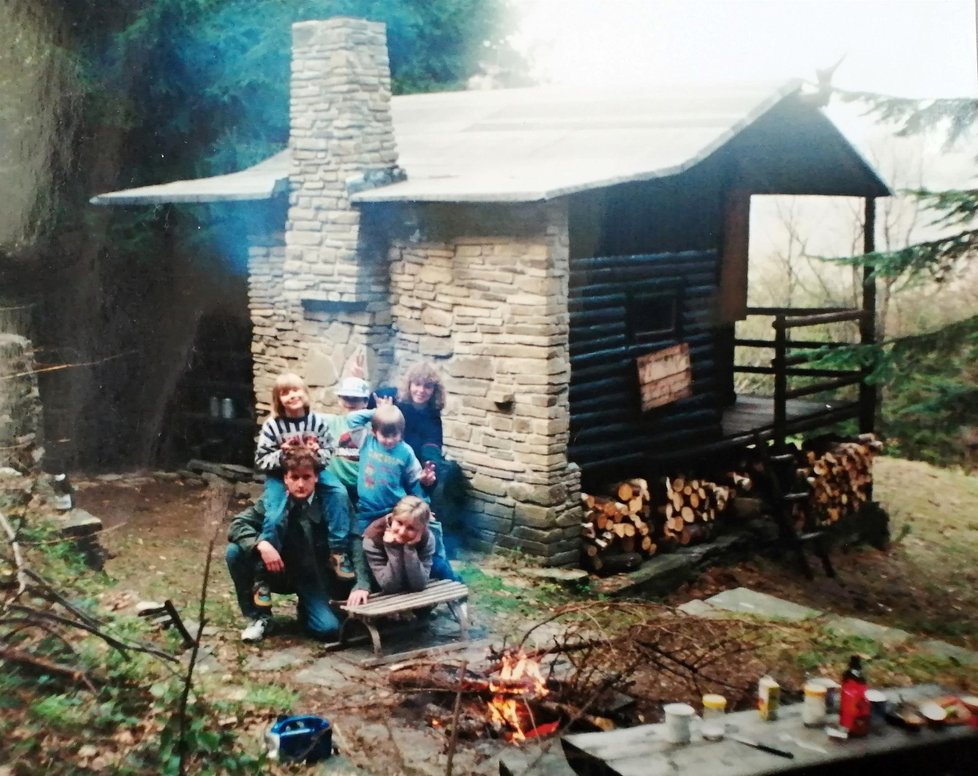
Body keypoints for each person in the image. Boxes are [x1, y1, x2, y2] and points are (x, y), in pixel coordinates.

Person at [226, 447, 370, 643]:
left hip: (313, 576)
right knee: (235, 552)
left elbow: (353, 538)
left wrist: (361, 583)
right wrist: (261, 546)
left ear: (316, 477)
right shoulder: (274, 502)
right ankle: (259, 617)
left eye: (306, 477)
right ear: (285, 478)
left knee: (329, 629)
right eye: (294, 477)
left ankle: (307, 609)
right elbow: (238, 524)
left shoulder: (332, 501)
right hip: (278, 571)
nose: (300, 484)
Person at [254, 372, 355, 580]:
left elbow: (329, 452)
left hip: (312, 472)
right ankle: (263, 570)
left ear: (305, 393)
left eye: (296, 390)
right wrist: (282, 454)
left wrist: (315, 454)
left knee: (339, 493)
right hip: (282, 476)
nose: (292, 396)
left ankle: (337, 550)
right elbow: (262, 460)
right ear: (278, 400)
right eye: (285, 393)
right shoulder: (273, 425)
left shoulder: (316, 422)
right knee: (275, 514)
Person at [356, 404, 457, 582]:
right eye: (384, 435)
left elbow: (415, 482)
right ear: (374, 431)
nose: (389, 440)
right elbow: (351, 419)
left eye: (394, 435)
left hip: (394, 510)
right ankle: (369, 584)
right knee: (359, 543)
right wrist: (378, 411)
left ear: (401, 433)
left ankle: (447, 574)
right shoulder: (367, 441)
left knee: (431, 533)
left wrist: (424, 503)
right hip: (367, 510)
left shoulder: (405, 452)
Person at [395, 362, 469, 552]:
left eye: (428, 386)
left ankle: (434, 543)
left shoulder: (432, 415)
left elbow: (432, 442)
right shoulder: (397, 403)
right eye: (417, 385)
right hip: (394, 458)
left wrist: (431, 465)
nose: (421, 390)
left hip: (418, 464)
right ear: (410, 385)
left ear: (434, 390)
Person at [361, 495, 435, 594]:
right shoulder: (373, 537)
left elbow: (419, 585)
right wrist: (392, 548)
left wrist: (410, 548)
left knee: (440, 567)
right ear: (393, 517)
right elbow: (390, 587)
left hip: (412, 586)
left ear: (421, 529)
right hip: (380, 590)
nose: (401, 532)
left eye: (411, 528)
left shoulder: (427, 538)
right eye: (399, 522)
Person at [323, 375, 374, 505]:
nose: (350, 403)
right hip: (334, 487)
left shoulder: (374, 429)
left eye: (355, 399)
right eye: (346, 398)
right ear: (339, 400)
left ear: (365, 403)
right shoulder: (329, 422)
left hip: (363, 490)